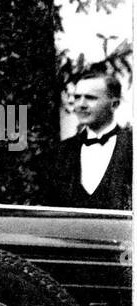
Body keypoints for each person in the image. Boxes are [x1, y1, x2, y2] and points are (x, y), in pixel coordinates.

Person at [43, 68, 132, 210]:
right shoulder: (61, 151)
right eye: (77, 97)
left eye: (90, 98)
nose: (81, 104)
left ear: (114, 104)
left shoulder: (132, 147)